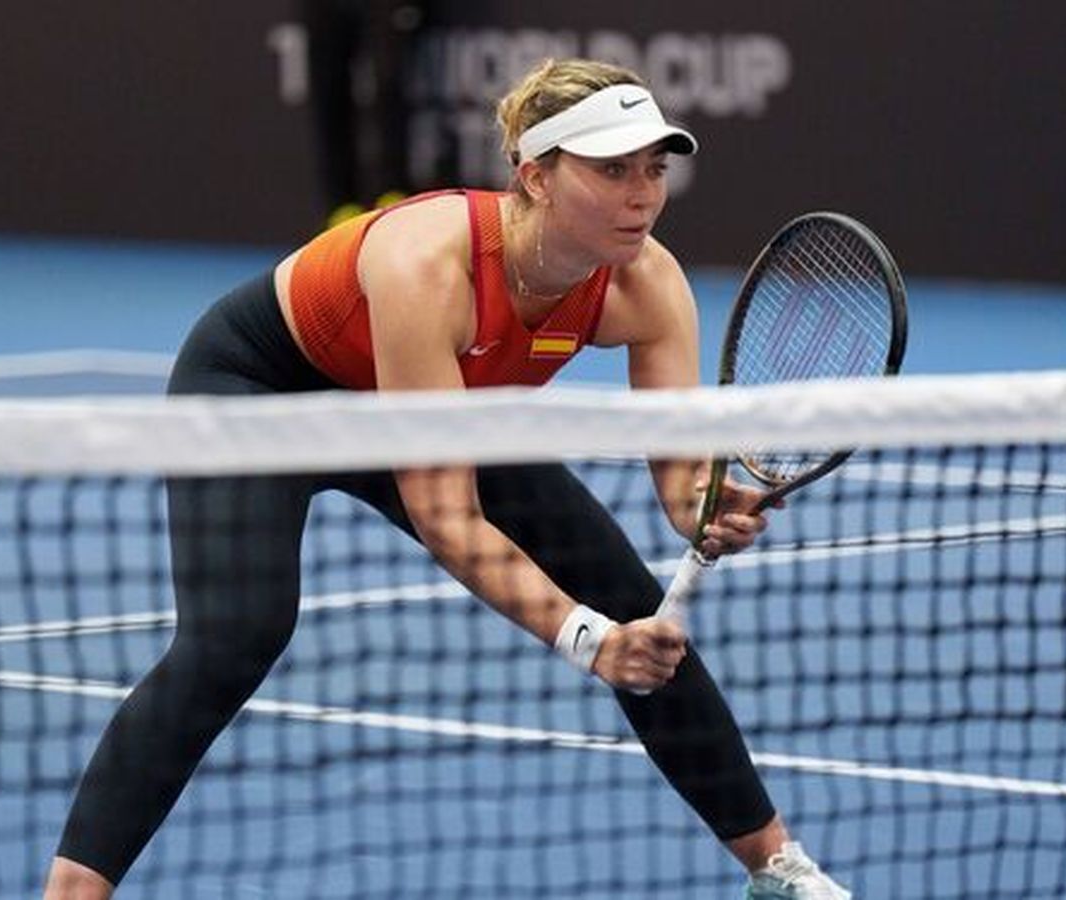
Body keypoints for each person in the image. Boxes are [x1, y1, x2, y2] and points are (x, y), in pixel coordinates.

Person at [44, 58, 851, 900]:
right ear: (535, 177)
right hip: (262, 391)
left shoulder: (647, 285)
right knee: (235, 635)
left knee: (633, 605)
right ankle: (71, 893)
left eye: (653, 168)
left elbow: (683, 480)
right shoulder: (428, 265)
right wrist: (589, 643)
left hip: (444, 398)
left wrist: (706, 510)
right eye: (611, 170)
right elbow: (448, 517)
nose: (642, 193)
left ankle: (777, 869)